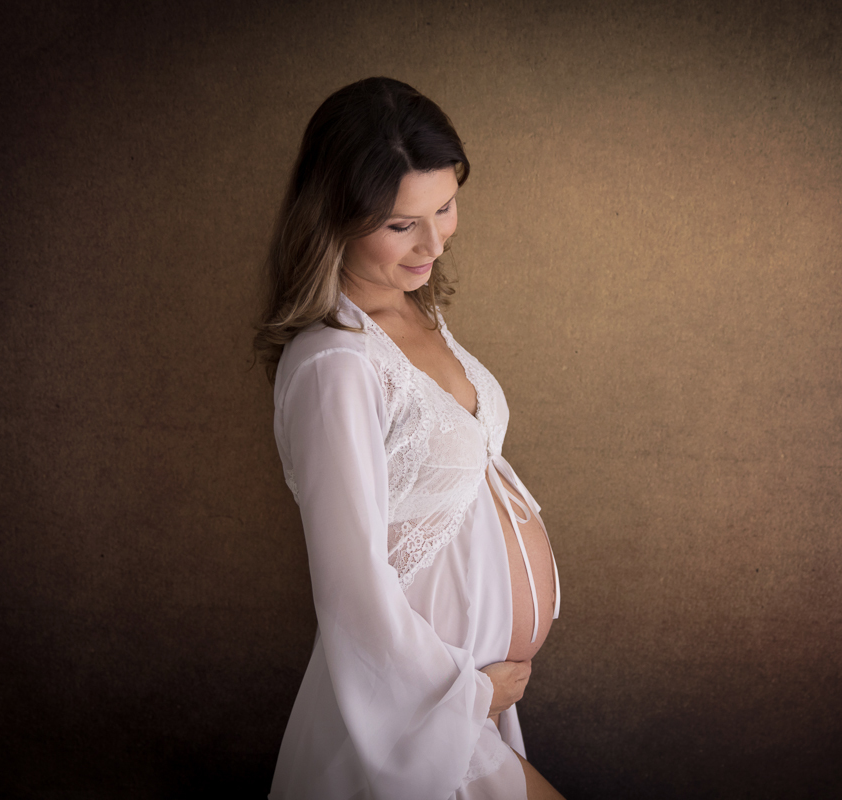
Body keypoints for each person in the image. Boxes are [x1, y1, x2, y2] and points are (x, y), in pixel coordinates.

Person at [254, 77, 565, 800]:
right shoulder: (334, 364)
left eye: (445, 206)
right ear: (333, 216)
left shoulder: (412, 309)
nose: (433, 242)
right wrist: (462, 698)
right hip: (412, 724)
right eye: (401, 225)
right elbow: (351, 591)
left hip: (468, 710)